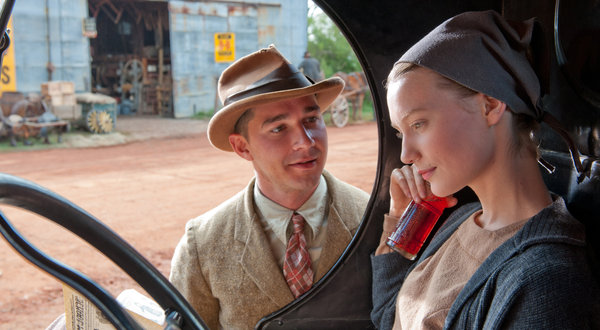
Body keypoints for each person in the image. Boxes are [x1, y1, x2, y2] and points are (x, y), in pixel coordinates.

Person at [371, 10, 600, 329]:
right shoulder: (464, 220)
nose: (407, 154)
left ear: (490, 105)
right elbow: (388, 318)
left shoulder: (544, 280)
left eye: (418, 124)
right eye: (400, 132)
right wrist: (399, 219)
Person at [169, 45, 369, 329]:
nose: (306, 141)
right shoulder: (202, 246)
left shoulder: (374, 220)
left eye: (311, 119)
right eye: (278, 128)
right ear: (242, 146)